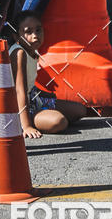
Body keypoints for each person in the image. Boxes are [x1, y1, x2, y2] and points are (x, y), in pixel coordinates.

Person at [9, 9, 86, 137]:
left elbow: (29, 84)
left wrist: (44, 94)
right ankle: (23, 122)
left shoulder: (32, 50)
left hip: (33, 98)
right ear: (16, 36)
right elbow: (19, 91)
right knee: (59, 122)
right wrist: (26, 126)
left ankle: (42, 114)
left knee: (80, 110)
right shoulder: (19, 53)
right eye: (28, 32)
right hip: (18, 106)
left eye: (38, 30)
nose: (35, 35)